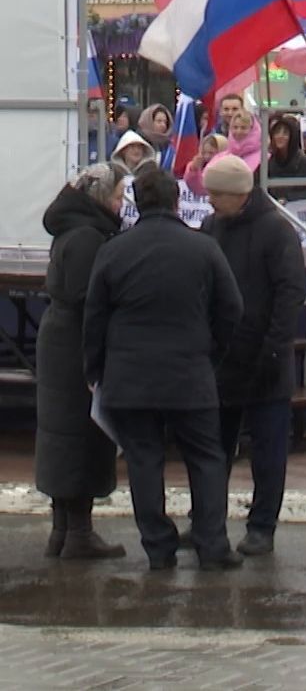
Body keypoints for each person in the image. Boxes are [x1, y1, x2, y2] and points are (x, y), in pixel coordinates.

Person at [83, 169, 244, 570]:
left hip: (129, 377)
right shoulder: (203, 248)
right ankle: (212, 545)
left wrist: (95, 370)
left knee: (143, 459)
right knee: (207, 458)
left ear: (138, 202)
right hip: (191, 374)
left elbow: (94, 318)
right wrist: (211, 355)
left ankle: (158, 547)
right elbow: (232, 309)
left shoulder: (113, 250)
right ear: (176, 202)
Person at [198, 154, 304, 556]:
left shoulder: (276, 231)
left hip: (265, 361)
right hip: (221, 359)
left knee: (268, 453)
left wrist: (274, 350)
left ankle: (262, 526)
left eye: (215, 194)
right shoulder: (211, 227)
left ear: (237, 194)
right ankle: (208, 522)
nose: (208, 201)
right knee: (213, 450)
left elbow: (290, 293)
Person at [36, 163, 129, 561]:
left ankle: (62, 530)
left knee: (60, 433)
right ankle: (79, 532)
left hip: (59, 340)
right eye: (120, 194)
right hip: (76, 344)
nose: (122, 202)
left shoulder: (71, 230)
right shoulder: (90, 238)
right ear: (103, 197)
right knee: (80, 434)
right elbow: (87, 298)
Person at [264, 115, 306, 200]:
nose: (280, 136)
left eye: (285, 133)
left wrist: (289, 198)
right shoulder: (270, 162)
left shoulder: (303, 162)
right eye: (277, 132)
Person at [218, 94, 262, 170]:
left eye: (235, 109)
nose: (230, 113)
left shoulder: (259, 131)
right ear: (221, 111)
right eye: (226, 109)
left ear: (242, 109)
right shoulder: (214, 132)